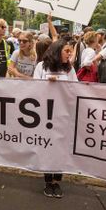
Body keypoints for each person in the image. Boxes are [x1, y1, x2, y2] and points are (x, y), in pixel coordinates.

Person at [33, 39, 77, 198]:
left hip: (63, 115)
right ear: (58, 51)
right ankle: (47, 181)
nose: (70, 54)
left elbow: (75, 89)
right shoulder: (41, 67)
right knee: (48, 147)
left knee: (60, 148)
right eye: (67, 51)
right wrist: (47, 83)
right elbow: (34, 88)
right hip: (45, 115)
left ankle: (57, 182)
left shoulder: (69, 69)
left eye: (70, 51)